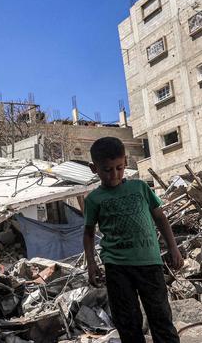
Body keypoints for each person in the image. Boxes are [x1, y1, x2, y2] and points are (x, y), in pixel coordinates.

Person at [83, 137, 182, 343]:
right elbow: (89, 232)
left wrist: (174, 248)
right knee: (127, 322)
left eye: (119, 168)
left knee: (161, 318)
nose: (114, 175)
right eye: (107, 169)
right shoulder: (93, 199)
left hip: (150, 263)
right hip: (117, 267)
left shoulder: (140, 188)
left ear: (126, 162)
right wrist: (91, 264)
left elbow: (160, 217)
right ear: (94, 168)